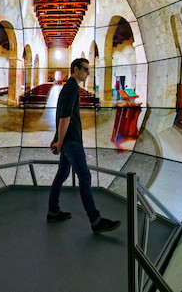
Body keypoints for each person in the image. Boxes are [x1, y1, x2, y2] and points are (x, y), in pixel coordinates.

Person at [47, 58, 121, 234]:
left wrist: (57, 139)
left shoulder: (69, 88)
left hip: (66, 140)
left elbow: (61, 114)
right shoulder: (71, 88)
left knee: (62, 174)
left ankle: (53, 211)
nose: (88, 73)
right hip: (71, 141)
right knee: (85, 177)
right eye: (86, 70)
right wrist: (60, 141)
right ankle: (95, 221)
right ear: (76, 69)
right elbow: (64, 118)